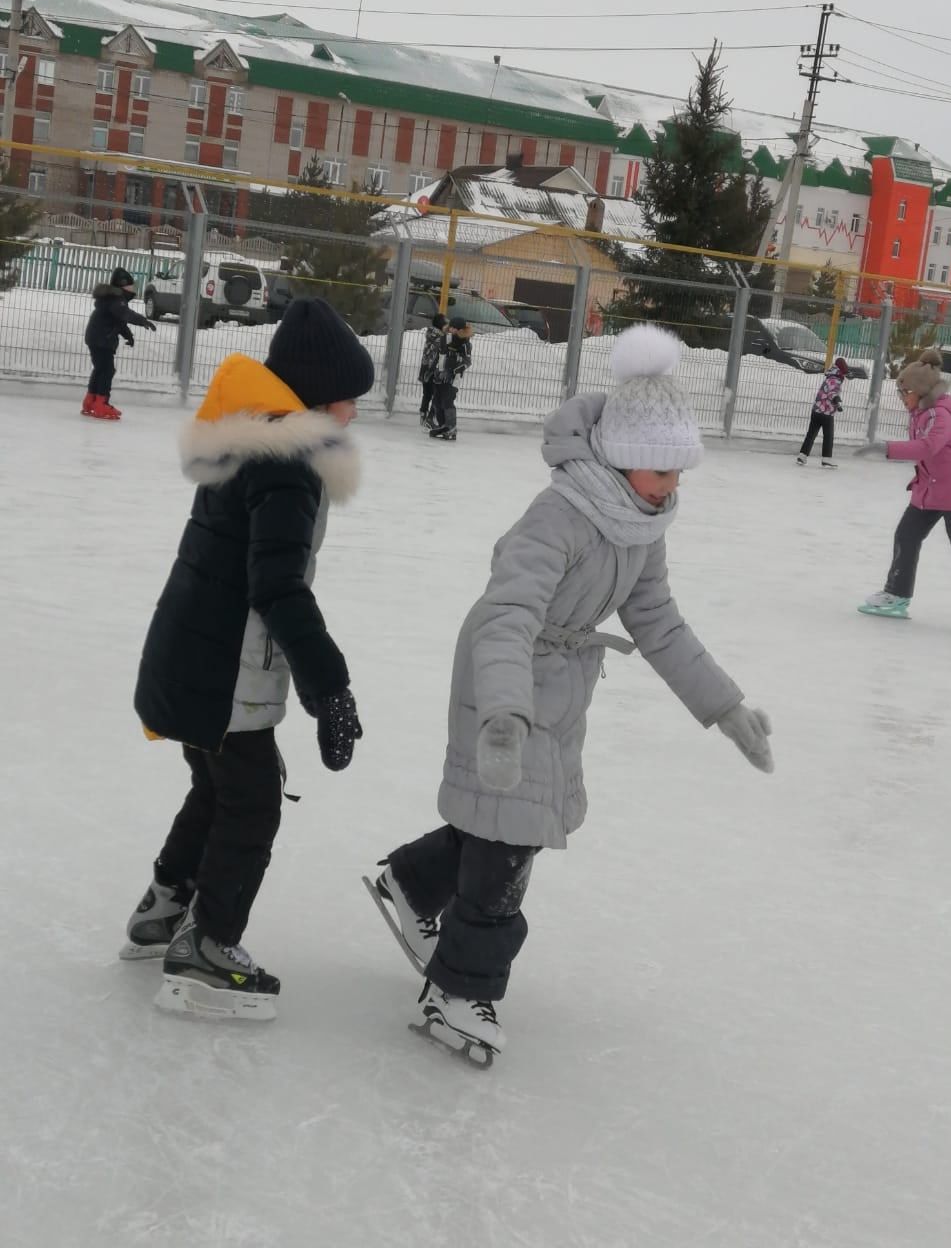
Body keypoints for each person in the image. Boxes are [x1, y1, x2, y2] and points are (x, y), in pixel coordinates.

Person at [368, 324, 774, 1058]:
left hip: (558, 688)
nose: (673, 488)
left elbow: (658, 622)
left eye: (680, 474)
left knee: (500, 818)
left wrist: (724, 705)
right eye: (663, 473)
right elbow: (506, 616)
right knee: (508, 845)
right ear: (623, 459)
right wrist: (502, 713)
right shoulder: (559, 516)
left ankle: (409, 880)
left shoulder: (640, 526)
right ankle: (458, 991)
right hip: (508, 678)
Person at [125, 298, 374, 1020]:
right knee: (252, 800)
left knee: (217, 787)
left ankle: (165, 905)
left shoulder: (247, 440)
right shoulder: (289, 463)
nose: (353, 415)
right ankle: (208, 948)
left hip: (190, 650)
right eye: (346, 399)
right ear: (316, 395)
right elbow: (277, 586)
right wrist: (331, 687)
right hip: (225, 666)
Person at [856, 348, 951, 619]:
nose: (902, 398)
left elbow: (928, 448)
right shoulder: (920, 414)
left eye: (905, 392)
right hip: (930, 489)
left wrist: (886, 448)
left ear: (922, 391)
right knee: (907, 535)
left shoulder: (940, 415)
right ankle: (897, 594)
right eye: (900, 392)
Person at [82, 267, 156, 420]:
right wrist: (143, 321)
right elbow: (125, 315)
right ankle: (101, 403)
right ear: (122, 286)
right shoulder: (117, 300)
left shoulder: (112, 299)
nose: (133, 289)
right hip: (102, 340)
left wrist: (128, 336)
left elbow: (119, 321)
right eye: (130, 286)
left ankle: (91, 401)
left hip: (97, 338)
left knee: (101, 369)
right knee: (107, 370)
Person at [797, 357, 849, 468]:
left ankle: (802, 456)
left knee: (811, 434)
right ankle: (826, 459)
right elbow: (832, 392)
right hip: (826, 412)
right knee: (828, 436)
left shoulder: (830, 375)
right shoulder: (835, 379)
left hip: (816, 410)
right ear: (841, 370)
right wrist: (837, 402)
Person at [429, 317, 473, 442]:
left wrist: (453, 371)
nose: (452, 330)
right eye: (451, 327)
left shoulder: (465, 343)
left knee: (447, 401)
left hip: (454, 377)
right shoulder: (445, 339)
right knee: (437, 401)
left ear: (461, 330)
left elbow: (467, 361)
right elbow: (439, 355)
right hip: (440, 375)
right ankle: (443, 425)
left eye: (456, 328)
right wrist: (432, 370)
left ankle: (451, 427)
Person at [418, 312, 447, 429]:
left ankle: (423, 414)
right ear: (441, 325)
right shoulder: (440, 339)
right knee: (437, 395)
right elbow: (437, 356)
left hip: (425, 369)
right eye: (446, 323)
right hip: (433, 370)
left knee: (427, 394)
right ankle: (430, 418)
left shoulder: (431, 335)